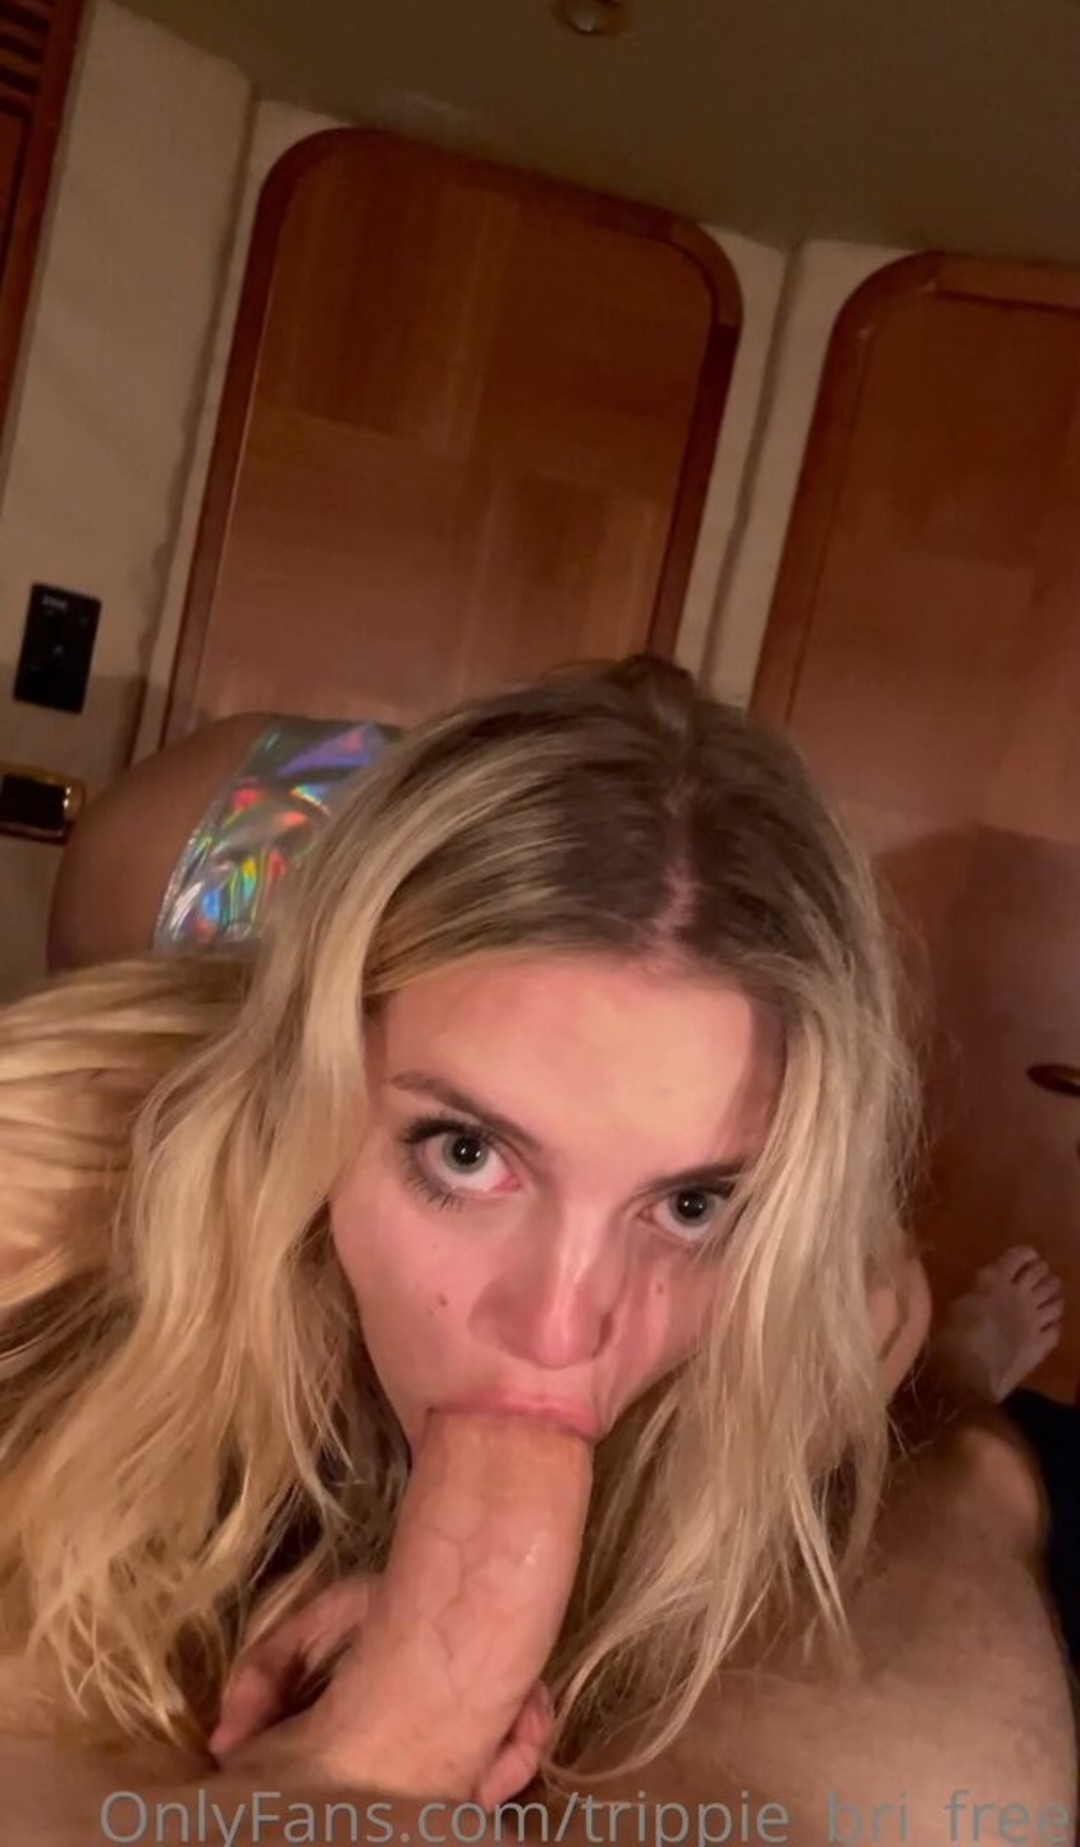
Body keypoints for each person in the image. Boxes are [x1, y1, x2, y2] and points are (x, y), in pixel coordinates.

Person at [2, 656, 1074, 1846]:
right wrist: (386, 1745)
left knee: (945, 1427)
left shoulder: (842, 1298)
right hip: (272, 850)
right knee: (140, 861)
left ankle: (971, 1371)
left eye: (692, 1203)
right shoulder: (59, 1154)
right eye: (465, 1153)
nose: (559, 1329)